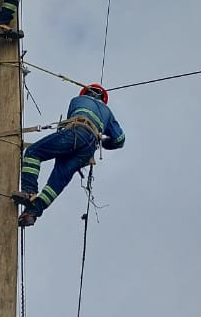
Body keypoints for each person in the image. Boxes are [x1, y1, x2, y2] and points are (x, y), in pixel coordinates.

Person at [13, 84, 124, 226]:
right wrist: (104, 142)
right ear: (103, 98)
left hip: (77, 132)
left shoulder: (77, 100)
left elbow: (69, 127)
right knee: (58, 179)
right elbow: (119, 139)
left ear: (85, 92)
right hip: (89, 149)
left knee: (33, 153)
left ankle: (29, 192)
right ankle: (32, 213)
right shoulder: (108, 112)